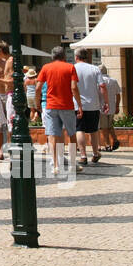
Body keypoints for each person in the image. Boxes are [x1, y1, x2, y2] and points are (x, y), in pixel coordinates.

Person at [34, 47, 83, 175]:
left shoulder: (46, 68)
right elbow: (74, 87)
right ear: (64, 56)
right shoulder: (70, 67)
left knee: (53, 135)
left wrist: (36, 103)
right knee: (71, 135)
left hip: (51, 105)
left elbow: (38, 87)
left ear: (52, 56)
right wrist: (80, 105)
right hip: (67, 105)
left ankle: (55, 165)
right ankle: (73, 164)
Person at [72, 51, 106, 165]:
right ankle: (95, 153)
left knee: (79, 129)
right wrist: (105, 102)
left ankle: (83, 155)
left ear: (76, 57)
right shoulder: (94, 69)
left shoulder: (72, 68)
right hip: (93, 104)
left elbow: (71, 87)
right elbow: (102, 86)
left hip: (77, 104)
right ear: (87, 57)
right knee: (93, 130)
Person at [100, 65, 121, 151]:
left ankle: (107, 144)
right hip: (112, 106)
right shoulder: (113, 81)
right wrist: (117, 106)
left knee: (104, 127)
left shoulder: (99, 82)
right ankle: (115, 140)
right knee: (109, 125)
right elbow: (118, 95)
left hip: (102, 106)